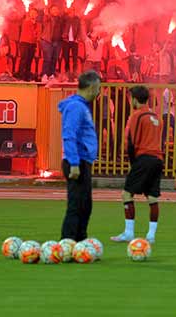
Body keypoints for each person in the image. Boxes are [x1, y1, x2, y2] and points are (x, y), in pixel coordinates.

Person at [110, 85, 163, 244]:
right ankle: (151, 236)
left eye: (129, 98)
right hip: (157, 160)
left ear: (134, 99)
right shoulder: (156, 117)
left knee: (126, 194)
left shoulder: (136, 116)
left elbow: (130, 142)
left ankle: (128, 232)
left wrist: (133, 163)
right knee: (152, 197)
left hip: (143, 158)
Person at [59, 70, 101, 241]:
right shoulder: (76, 107)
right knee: (77, 204)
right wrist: (74, 163)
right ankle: (68, 242)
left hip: (83, 160)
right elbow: (69, 134)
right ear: (91, 87)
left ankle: (80, 240)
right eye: (98, 88)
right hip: (77, 161)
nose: (98, 92)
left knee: (85, 204)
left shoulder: (81, 106)